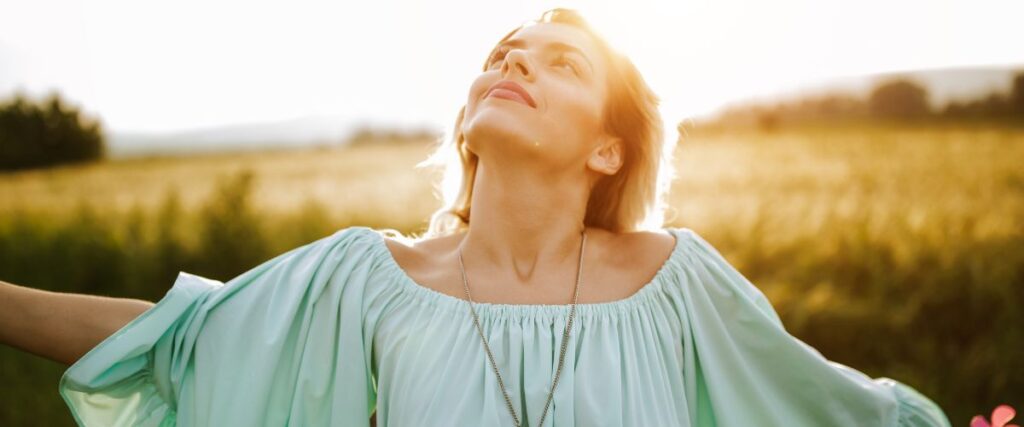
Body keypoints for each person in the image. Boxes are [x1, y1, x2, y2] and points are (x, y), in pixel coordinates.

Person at [0, 8, 952, 427]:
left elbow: (826, 409)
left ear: (607, 150)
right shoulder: (368, 280)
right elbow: (184, 338)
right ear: (465, 115)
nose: (515, 63)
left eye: (558, 62)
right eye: (505, 50)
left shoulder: (678, 283)